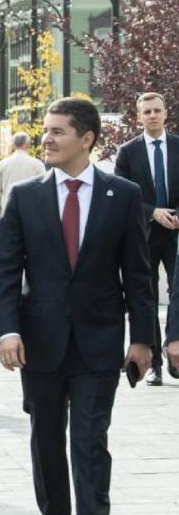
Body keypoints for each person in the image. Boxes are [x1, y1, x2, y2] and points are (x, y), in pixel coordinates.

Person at [0, 97, 153, 515]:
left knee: (89, 441)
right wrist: (8, 330)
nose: (46, 138)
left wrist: (143, 340)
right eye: (45, 130)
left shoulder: (123, 195)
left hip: (99, 343)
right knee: (46, 438)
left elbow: (138, 275)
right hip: (39, 342)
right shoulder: (25, 196)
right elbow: (6, 272)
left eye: (57, 131)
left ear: (87, 139)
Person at [115, 92, 179, 385]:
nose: (152, 115)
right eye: (147, 111)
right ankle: (154, 362)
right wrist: (152, 212)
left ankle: (174, 348)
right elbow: (121, 195)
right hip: (144, 234)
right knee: (146, 296)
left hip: (176, 232)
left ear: (165, 113)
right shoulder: (128, 152)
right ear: (139, 116)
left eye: (157, 110)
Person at [0, 131, 45, 216]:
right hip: (31, 210)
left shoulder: (2, 164)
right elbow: (44, 189)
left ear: (13, 145)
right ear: (28, 145)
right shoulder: (38, 164)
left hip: (8, 208)